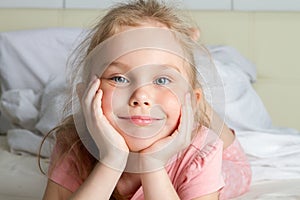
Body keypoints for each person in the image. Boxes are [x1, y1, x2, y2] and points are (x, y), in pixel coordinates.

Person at [41, 0, 251, 199]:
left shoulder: (203, 151)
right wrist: (111, 160)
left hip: (222, 160)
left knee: (198, 114)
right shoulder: (72, 144)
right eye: (119, 78)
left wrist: (152, 165)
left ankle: (193, 61)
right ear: (86, 94)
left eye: (161, 79)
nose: (141, 96)